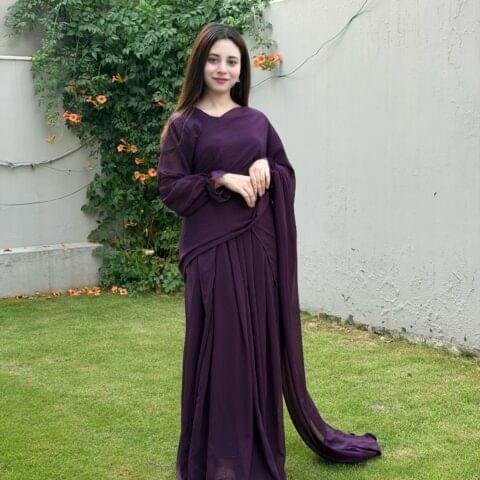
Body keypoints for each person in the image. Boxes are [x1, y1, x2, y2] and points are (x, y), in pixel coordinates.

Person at [157, 21, 382, 480]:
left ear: (242, 70)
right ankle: (217, 457)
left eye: (232, 61)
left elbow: (284, 173)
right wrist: (221, 178)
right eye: (214, 59)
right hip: (210, 254)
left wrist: (265, 164)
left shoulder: (257, 122)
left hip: (258, 249)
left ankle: (257, 448)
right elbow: (171, 188)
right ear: (200, 64)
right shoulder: (183, 125)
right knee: (220, 349)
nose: (223, 69)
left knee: (257, 345)